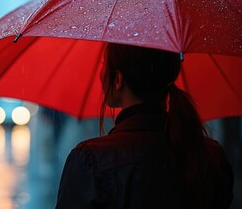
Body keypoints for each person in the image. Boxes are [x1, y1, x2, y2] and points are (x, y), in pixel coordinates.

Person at [55, 43, 234, 209]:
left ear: (118, 79)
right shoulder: (212, 156)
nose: (101, 72)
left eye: (104, 63)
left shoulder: (90, 161)